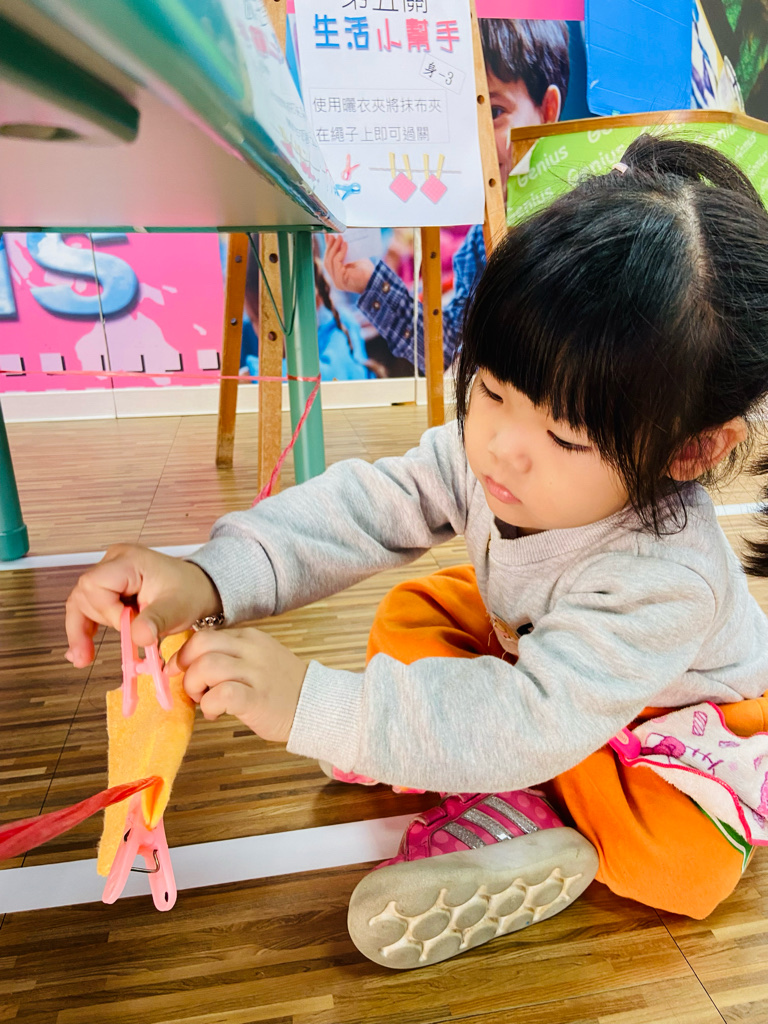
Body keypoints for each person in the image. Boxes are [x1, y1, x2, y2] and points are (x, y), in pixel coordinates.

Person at [66, 136, 768, 971]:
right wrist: (207, 577)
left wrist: (320, 706)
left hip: (659, 721)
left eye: (565, 437)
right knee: (420, 608)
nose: (501, 447)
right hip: (537, 662)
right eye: (492, 390)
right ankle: (455, 760)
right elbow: (361, 510)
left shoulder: (668, 577)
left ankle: (524, 811)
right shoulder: (494, 455)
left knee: (681, 859)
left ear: (689, 451)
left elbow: (534, 719)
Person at [323, 19, 570, 375]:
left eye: (494, 113)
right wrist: (370, 282)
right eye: (459, 120)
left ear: (547, 111)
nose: (473, 142)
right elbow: (450, 350)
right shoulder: (478, 241)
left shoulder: (579, 221)